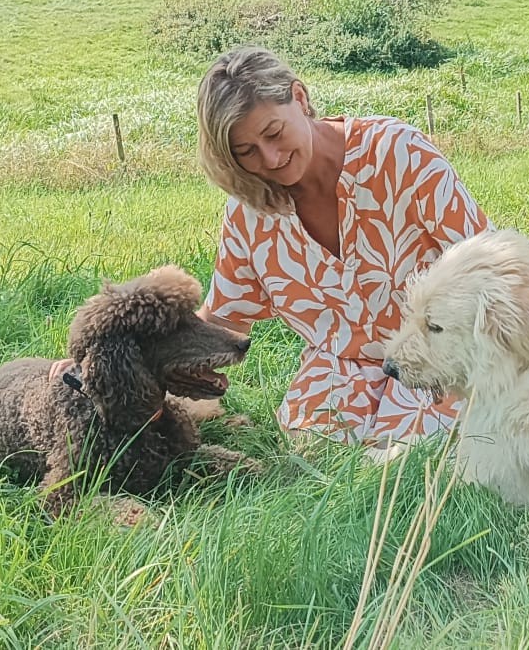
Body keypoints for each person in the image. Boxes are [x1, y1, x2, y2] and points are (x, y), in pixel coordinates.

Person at [194, 46, 490, 453]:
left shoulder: (399, 152)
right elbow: (223, 319)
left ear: (300, 98)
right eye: (247, 152)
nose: (271, 159)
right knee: (314, 455)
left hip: (437, 355)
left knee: (417, 456)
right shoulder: (249, 213)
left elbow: (485, 263)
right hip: (339, 372)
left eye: (274, 133)